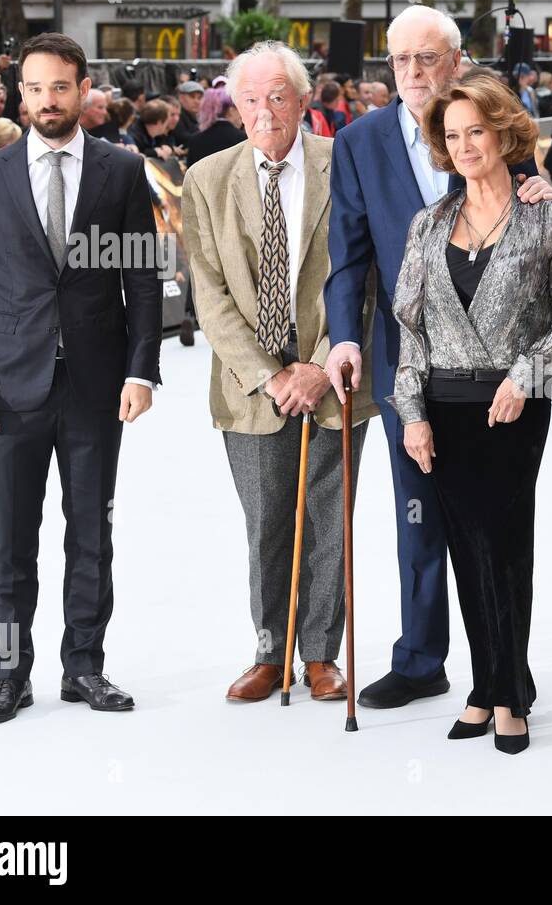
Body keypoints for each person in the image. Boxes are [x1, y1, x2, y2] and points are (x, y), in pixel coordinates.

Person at [323, 5, 552, 711]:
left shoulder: (496, 127)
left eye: (428, 58)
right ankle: (421, 656)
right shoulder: (359, 143)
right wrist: (342, 335)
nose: (414, 73)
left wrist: (544, 190)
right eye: (400, 60)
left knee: (502, 523)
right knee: (419, 512)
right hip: (412, 370)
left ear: (457, 62)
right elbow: (348, 256)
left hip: (500, 369)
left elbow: (534, 221)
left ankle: (505, 669)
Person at [0, 33, 162, 723]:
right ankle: (10, 673)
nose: (46, 100)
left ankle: (85, 667)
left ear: (82, 89)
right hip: (10, 386)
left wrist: (142, 370)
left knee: (91, 532)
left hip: (97, 384)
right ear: (21, 95)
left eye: (59, 87)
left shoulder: (122, 172)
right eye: (34, 89)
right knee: (11, 537)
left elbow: (142, 279)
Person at [390, 75, 552, 753]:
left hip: (512, 408)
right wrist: (412, 414)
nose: (465, 145)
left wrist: (526, 376)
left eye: (477, 130)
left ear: (505, 132)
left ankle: (510, 694)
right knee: (463, 550)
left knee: (505, 548)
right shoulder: (429, 223)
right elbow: (409, 328)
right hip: (443, 407)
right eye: (452, 135)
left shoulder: (546, 215)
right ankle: (483, 684)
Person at [180, 41, 377, 704]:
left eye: (279, 96)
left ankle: (321, 653)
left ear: (302, 101)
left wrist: (319, 366)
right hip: (251, 386)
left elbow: (364, 272)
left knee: (330, 513)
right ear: (237, 107)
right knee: (266, 520)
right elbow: (209, 294)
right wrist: (271, 376)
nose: (266, 111)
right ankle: (271, 653)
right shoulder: (206, 180)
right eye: (252, 99)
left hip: (333, 376)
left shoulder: (340, 161)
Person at [186, 87, 245, 169]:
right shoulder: (243, 139)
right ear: (231, 110)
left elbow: (190, 175)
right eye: (239, 109)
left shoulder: (195, 140)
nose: (242, 115)